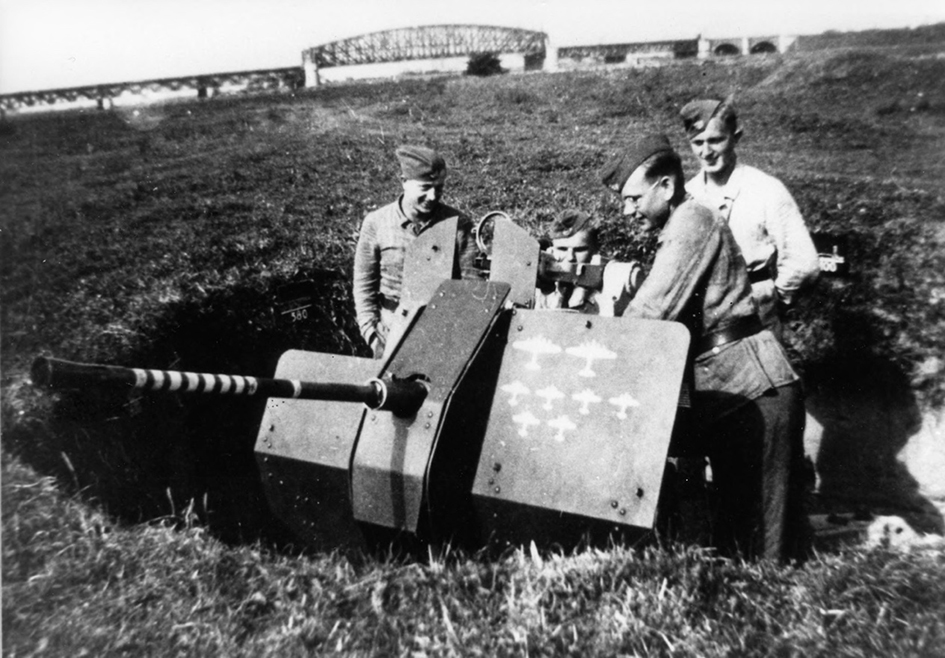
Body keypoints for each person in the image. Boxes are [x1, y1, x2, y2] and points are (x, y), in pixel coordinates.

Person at [600, 133, 810, 562]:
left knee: (763, 548)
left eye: (633, 198)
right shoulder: (683, 224)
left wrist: (598, 354)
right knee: (743, 538)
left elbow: (654, 311)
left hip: (753, 393)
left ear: (667, 186)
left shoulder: (691, 221)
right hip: (735, 392)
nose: (626, 211)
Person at [680, 97, 819, 338]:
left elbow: (804, 262)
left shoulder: (765, 189)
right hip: (702, 317)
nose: (706, 152)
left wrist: (776, 297)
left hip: (755, 313)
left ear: (736, 136)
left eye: (715, 140)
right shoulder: (689, 195)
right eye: (697, 142)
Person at [352, 145, 479, 358]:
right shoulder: (377, 223)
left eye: (439, 188)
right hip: (390, 333)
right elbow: (364, 285)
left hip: (442, 334)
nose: (432, 196)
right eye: (425, 187)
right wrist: (372, 335)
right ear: (404, 182)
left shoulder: (458, 224)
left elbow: (472, 285)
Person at [535, 209, 603, 314]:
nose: (570, 257)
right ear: (551, 250)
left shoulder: (605, 293)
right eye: (562, 249)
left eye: (580, 250)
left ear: (595, 251)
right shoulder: (536, 290)